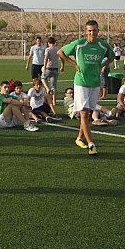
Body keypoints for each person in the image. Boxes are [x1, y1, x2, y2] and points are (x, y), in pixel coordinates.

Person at [58, 19, 112, 156]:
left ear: (98, 31)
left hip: (95, 82)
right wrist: (73, 63)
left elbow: (113, 56)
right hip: (81, 82)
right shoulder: (79, 44)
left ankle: (79, 138)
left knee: (87, 114)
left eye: (94, 30)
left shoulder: (103, 45)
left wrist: (103, 64)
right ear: (85, 32)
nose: (92, 33)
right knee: (83, 113)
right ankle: (91, 144)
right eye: (89, 31)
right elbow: (60, 52)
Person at [41, 36, 64, 106]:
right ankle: (54, 102)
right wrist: (62, 66)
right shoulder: (58, 49)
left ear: (48, 43)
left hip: (49, 68)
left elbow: (46, 58)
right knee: (54, 86)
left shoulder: (48, 49)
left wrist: (44, 67)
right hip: (55, 69)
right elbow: (62, 57)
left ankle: (47, 89)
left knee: (42, 78)